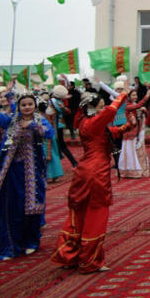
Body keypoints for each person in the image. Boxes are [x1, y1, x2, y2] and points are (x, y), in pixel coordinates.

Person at [52, 87, 131, 272]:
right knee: (96, 215)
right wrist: (123, 94)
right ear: (92, 108)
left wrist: (129, 125)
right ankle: (90, 260)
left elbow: (111, 132)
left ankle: (69, 254)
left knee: (77, 213)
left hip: (84, 170)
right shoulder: (94, 122)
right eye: (101, 107)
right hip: (96, 173)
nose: (104, 109)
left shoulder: (85, 122)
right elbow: (112, 111)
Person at [0, 89, 55, 260]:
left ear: (34, 105)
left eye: (30, 104)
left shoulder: (39, 120)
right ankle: (11, 247)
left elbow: (49, 133)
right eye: (23, 105)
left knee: (32, 209)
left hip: (33, 173)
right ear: (18, 106)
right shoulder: (12, 122)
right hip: (12, 173)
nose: (27, 107)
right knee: (13, 209)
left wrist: (33, 126)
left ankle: (31, 242)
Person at [118, 83, 150, 178]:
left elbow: (143, 114)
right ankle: (130, 172)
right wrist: (147, 95)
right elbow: (138, 105)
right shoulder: (127, 105)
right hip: (130, 132)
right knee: (130, 152)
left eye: (136, 95)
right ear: (128, 97)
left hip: (138, 131)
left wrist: (144, 111)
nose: (135, 97)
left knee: (139, 151)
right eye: (133, 95)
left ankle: (141, 170)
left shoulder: (135, 105)